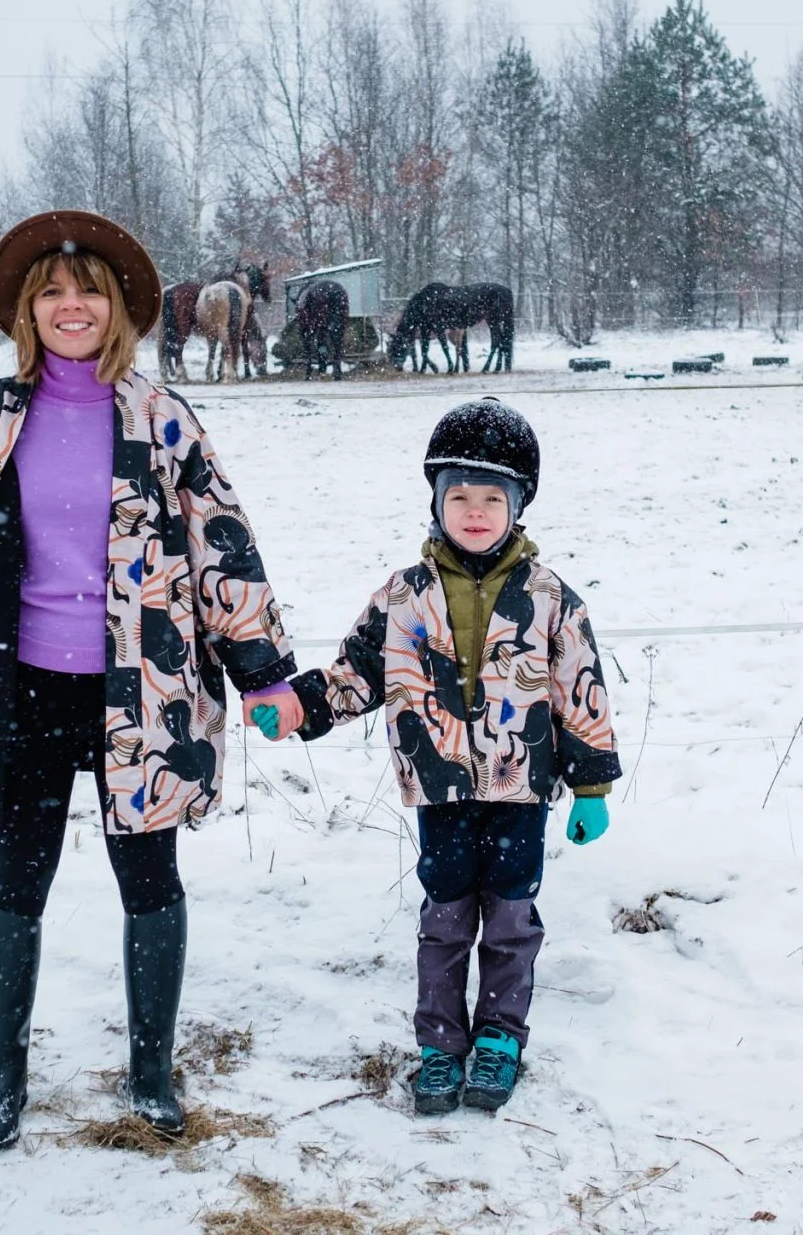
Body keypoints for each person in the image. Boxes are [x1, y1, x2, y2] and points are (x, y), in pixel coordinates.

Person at [0, 209, 296, 1150]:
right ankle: (4, 1082)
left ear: (118, 306)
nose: (70, 306)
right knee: (16, 878)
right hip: (23, 686)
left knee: (150, 878)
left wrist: (262, 673)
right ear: (28, 312)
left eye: (87, 291)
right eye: (51, 292)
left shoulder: (161, 417)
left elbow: (222, 545)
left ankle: (151, 1073)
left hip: (145, 689)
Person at [248, 398, 620, 1115]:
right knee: (445, 916)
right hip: (440, 787)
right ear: (436, 502)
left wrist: (593, 785)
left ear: (518, 506)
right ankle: (440, 1046)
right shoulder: (404, 595)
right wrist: (298, 704)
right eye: (459, 496)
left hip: (522, 788)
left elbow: (580, 688)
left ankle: (501, 1038)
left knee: (511, 917)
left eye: (492, 498)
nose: (475, 511)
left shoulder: (550, 598)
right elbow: (358, 673)